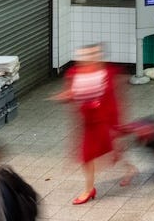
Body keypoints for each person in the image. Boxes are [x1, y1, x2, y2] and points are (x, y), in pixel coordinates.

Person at [53, 43, 132, 204]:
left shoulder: (108, 73)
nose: (88, 59)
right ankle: (89, 189)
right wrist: (65, 97)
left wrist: (115, 124)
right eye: (85, 55)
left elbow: (114, 101)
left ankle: (129, 168)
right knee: (87, 155)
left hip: (104, 120)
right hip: (88, 123)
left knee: (111, 149)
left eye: (92, 55)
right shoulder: (74, 73)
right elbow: (72, 93)